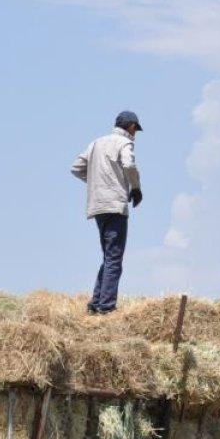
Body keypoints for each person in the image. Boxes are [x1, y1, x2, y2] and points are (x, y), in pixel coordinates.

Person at [70, 111, 143, 315]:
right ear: (130, 127)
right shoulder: (124, 143)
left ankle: (96, 302)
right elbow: (128, 164)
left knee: (109, 255)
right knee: (114, 258)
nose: (136, 133)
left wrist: (97, 182)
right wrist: (135, 188)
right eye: (136, 129)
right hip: (115, 205)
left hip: (97, 205)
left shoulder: (96, 143)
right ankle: (106, 307)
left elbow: (76, 168)